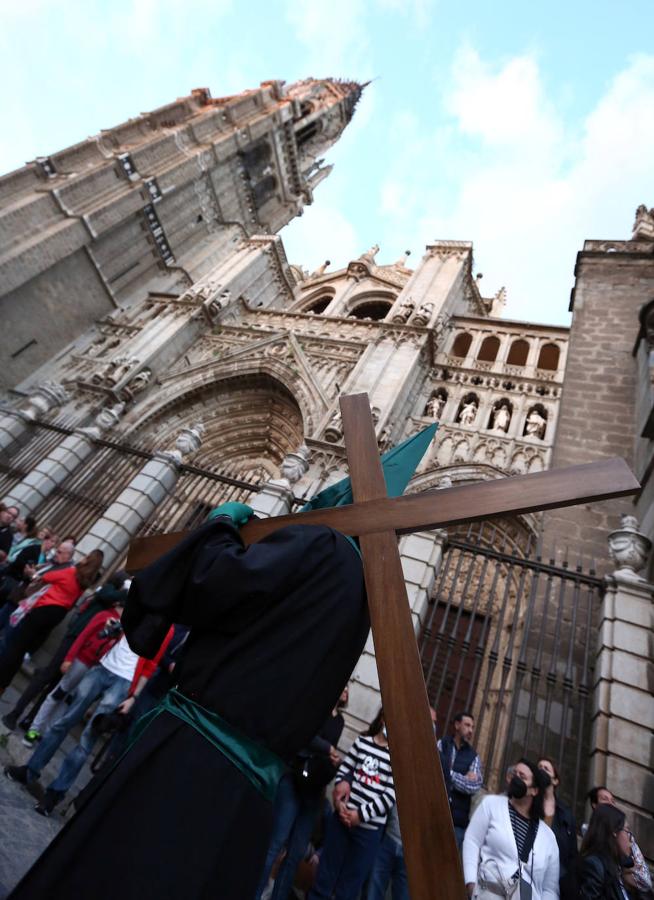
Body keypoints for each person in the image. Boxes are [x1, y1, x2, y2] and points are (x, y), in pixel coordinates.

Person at [7, 502, 369, 898]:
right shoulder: (366, 592)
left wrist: (221, 526)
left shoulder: (317, 541)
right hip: (250, 793)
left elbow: (213, 584)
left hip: (192, 754)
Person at [5, 626, 173, 815]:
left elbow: (151, 665)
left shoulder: (168, 627)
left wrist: (133, 697)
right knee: (63, 722)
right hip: (102, 668)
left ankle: (55, 793)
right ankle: (30, 771)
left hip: (124, 681)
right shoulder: (140, 605)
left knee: (88, 739)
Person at [1, 565, 126, 732]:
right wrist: (126, 590)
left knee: (56, 684)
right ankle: (16, 713)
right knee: (48, 675)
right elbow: (107, 595)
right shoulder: (108, 591)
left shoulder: (114, 601)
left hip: (86, 647)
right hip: (74, 637)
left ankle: (31, 719)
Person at [256, 686, 349, 900]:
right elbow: (306, 736)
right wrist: (328, 750)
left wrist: (332, 758)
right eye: (343, 685)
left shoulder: (340, 721)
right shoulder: (318, 708)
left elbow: (329, 749)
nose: (346, 689)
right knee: (275, 844)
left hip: (314, 790)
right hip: (295, 778)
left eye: (348, 688)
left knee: (296, 853)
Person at [308, 708, 396, 900]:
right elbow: (344, 770)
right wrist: (339, 800)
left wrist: (360, 815)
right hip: (341, 821)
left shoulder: (398, 758)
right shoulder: (362, 742)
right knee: (324, 877)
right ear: (382, 718)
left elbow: (390, 795)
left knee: (349, 887)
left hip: (368, 831)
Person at [21, 599, 125, 748]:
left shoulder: (123, 628)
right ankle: (34, 729)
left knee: (69, 700)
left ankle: (47, 732)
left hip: (94, 668)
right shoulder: (104, 616)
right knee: (59, 693)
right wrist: (69, 658)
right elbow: (83, 636)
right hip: (81, 661)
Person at [0, 549, 103, 695]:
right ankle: (4, 684)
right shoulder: (84, 581)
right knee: (22, 648)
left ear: (87, 560)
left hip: (44, 608)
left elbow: (46, 577)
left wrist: (32, 573)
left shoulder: (71, 571)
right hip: (57, 614)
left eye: (86, 556)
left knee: (15, 644)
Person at [462, 757, 559, 899]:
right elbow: (472, 842)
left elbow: (550, 889)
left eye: (522, 777)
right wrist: (470, 883)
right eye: (514, 774)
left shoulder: (548, 837)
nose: (516, 779)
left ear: (534, 790)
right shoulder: (491, 805)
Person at [586, 786, 652, 897]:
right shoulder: (594, 862)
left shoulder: (627, 843)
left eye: (612, 801)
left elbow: (646, 882)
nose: (610, 803)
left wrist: (627, 871)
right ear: (594, 805)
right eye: (605, 799)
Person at [438, 710, 483, 849]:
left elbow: (473, 786)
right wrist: (462, 777)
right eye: (467, 725)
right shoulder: (442, 744)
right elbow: (433, 772)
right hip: (435, 813)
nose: (470, 730)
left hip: (456, 823)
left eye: (472, 727)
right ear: (457, 725)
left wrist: (446, 773)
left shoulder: (474, 756)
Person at [538, 757, 577, 900]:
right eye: (539, 767)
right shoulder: (528, 802)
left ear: (555, 781)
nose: (541, 770)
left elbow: (572, 855)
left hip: (554, 880)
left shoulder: (566, 815)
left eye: (546, 769)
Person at [579, 804, 633, 900]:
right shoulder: (595, 865)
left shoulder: (618, 864)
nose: (631, 838)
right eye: (627, 830)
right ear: (614, 832)